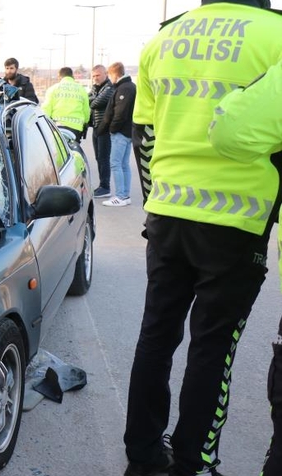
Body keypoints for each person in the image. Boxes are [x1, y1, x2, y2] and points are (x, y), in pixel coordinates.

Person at [124, 1, 282, 475]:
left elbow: (144, 136)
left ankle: (143, 457)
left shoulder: (165, 37)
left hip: (169, 214)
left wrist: (154, 205)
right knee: (213, 348)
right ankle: (193, 462)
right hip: (238, 221)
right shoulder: (275, 33)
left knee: (155, 336)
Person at [208, 58, 282, 476]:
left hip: (184, 217)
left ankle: (189, 460)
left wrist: (240, 94)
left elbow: (231, 131)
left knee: (200, 342)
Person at [98, 62, 136, 207]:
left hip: (121, 132)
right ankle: (125, 195)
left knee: (115, 163)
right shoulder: (129, 86)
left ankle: (120, 196)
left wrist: (112, 129)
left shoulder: (124, 88)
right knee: (124, 164)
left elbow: (120, 113)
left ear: (114, 74)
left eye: (109, 74)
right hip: (127, 131)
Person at [42, 67, 90, 139]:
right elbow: (86, 110)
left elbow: (46, 110)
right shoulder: (81, 89)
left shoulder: (53, 89)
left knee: (57, 149)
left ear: (59, 76)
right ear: (72, 76)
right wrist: (85, 122)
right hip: (76, 127)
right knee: (73, 149)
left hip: (57, 127)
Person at [88, 64, 114, 198]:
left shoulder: (110, 88)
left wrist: (92, 99)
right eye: (93, 76)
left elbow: (94, 103)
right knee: (98, 158)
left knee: (104, 158)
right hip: (96, 127)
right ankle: (102, 185)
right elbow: (88, 99)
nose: (95, 78)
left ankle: (105, 186)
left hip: (104, 128)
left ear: (106, 74)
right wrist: (92, 97)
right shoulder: (96, 89)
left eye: (98, 75)